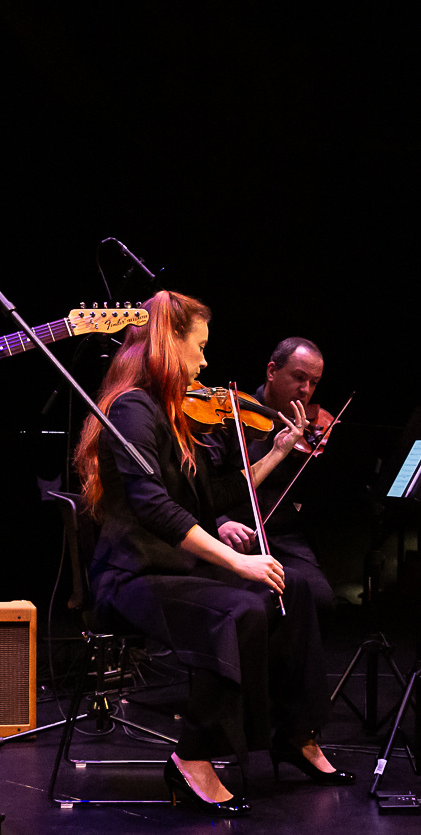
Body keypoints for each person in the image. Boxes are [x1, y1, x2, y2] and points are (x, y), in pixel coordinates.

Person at [73, 290, 353, 816]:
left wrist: (276, 452)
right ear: (165, 344)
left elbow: (217, 497)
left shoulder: (173, 412)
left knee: (284, 592)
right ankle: (194, 756)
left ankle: (293, 733)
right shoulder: (132, 408)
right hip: (131, 577)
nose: (204, 362)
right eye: (197, 348)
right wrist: (237, 562)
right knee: (243, 606)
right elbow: (154, 506)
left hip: (172, 570)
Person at [209, 337, 336, 621]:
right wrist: (220, 523)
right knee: (264, 604)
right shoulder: (230, 414)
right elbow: (201, 487)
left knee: (321, 602)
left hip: (283, 537)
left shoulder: (311, 430)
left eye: (313, 382)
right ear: (272, 371)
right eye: (298, 377)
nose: (305, 390)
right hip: (235, 537)